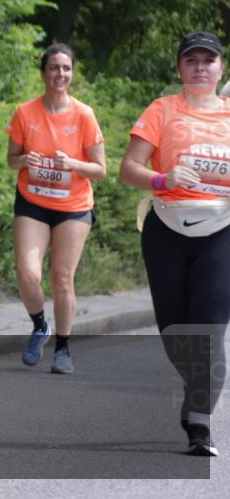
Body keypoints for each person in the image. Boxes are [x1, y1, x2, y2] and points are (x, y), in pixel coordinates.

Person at [119, 31, 230, 457]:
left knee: (210, 332)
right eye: (192, 60)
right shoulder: (162, 110)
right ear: (179, 69)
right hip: (166, 228)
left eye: (209, 60)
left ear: (222, 68)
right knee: (173, 334)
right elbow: (129, 169)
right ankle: (196, 383)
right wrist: (163, 179)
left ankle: (199, 426)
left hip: (221, 229)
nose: (200, 67)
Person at [6, 43, 106, 374]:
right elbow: (11, 160)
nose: (60, 74)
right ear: (43, 72)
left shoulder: (84, 114)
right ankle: (39, 326)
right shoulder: (25, 112)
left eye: (66, 68)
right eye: (53, 68)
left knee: (62, 277)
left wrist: (74, 163)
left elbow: (100, 169)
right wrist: (24, 159)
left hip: (73, 206)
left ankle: (63, 349)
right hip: (33, 201)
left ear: (72, 74)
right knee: (28, 274)